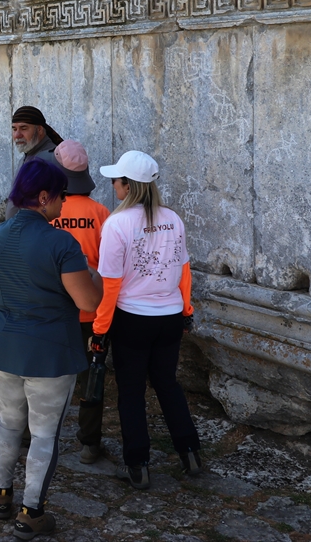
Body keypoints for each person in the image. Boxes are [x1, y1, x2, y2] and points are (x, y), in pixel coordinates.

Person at [0, 159, 103, 540]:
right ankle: (31, 512)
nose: (65, 204)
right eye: (62, 196)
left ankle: (0, 494)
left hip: (3, 344)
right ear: (45, 196)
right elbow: (87, 302)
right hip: (50, 351)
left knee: (9, 422)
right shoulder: (60, 242)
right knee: (45, 433)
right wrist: (96, 277)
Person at [95, 150, 200, 490]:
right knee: (167, 384)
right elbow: (184, 272)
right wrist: (187, 310)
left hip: (132, 318)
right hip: (169, 316)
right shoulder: (173, 219)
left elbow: (110, 284)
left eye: (117, 180)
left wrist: (100, 329)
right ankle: (189, 451)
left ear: (128, 185)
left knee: (131, 392)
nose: (113, 184)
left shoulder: (117, 224)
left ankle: (137, 462)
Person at [49, 140, 113, 464]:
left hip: (53, 313)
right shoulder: (101, 213)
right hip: (91, 311)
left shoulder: (46, 214)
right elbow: (110, 267)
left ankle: (38, 436)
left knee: (47, 376)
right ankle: (89, 443)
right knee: (91, 378)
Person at [6, 106, 64, 220]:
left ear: (40, 130)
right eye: (14, 129)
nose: (17, 135)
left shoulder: (50, 158)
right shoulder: (28, 155)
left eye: (24, 128)